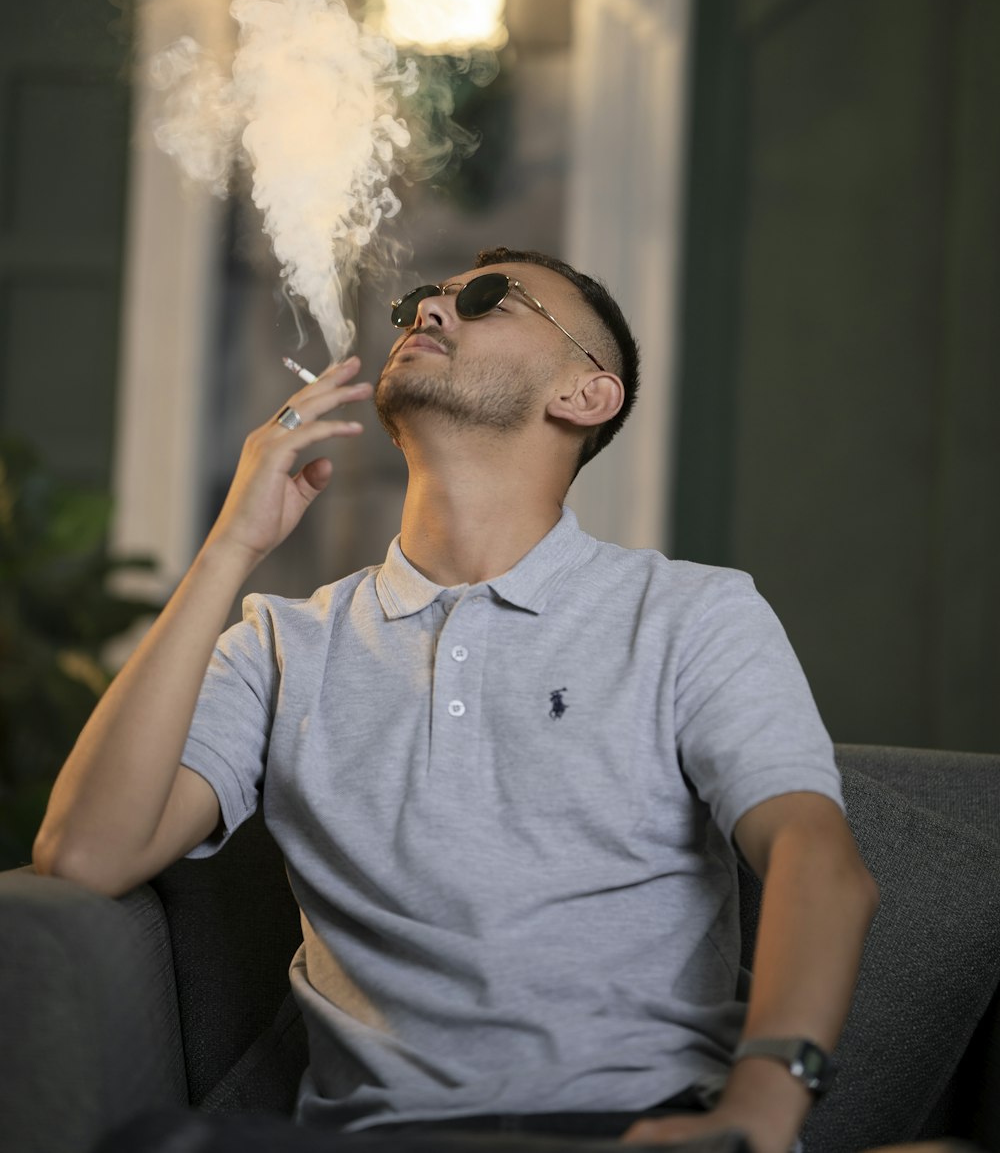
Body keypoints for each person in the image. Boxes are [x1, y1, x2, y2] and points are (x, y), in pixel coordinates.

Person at [34, 246, 879, 1153]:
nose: (429, 314)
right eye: (419, 304)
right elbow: (85, 857)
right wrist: (231, 547)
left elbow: (818, 859)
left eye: (488, 299)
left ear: (587, 395)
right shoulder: (284, 643)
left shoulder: (691, 613)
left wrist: (760, 1108)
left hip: (641, 1131)